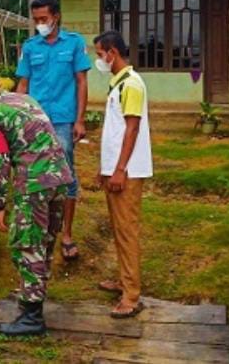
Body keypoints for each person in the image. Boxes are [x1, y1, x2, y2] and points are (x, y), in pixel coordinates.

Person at [0, 69, 73, 337]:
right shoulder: (26, 100)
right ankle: (32, 299)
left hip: (34, 183)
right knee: (45, 241)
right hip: (60, 178)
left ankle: (32, 318)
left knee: (26, 244)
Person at [15, 0, 90, 261]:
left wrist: (79, 120)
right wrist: (15, 115)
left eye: (44, 19)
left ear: (56, 16)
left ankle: (67, 234)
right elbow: (23, 85)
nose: (40, 24)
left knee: (66, 175)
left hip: (62, 121)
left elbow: (81, 82)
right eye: (36, 20)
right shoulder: (30, 46)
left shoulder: (74, 44)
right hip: (34, 122)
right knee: (35, 174)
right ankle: (40, 228)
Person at [92, 30, 152, 319]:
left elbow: (132, 128)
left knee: (127, 231)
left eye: (99, 53)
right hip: (115, 169)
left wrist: (118, 170)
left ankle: (131, 296)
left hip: (127, 171)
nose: (98, 59)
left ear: (111, 53)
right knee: (119, 229)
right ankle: (124, 281)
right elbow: (114, 132)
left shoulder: (132, 84)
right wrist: (103, 169)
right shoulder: (118, 85)